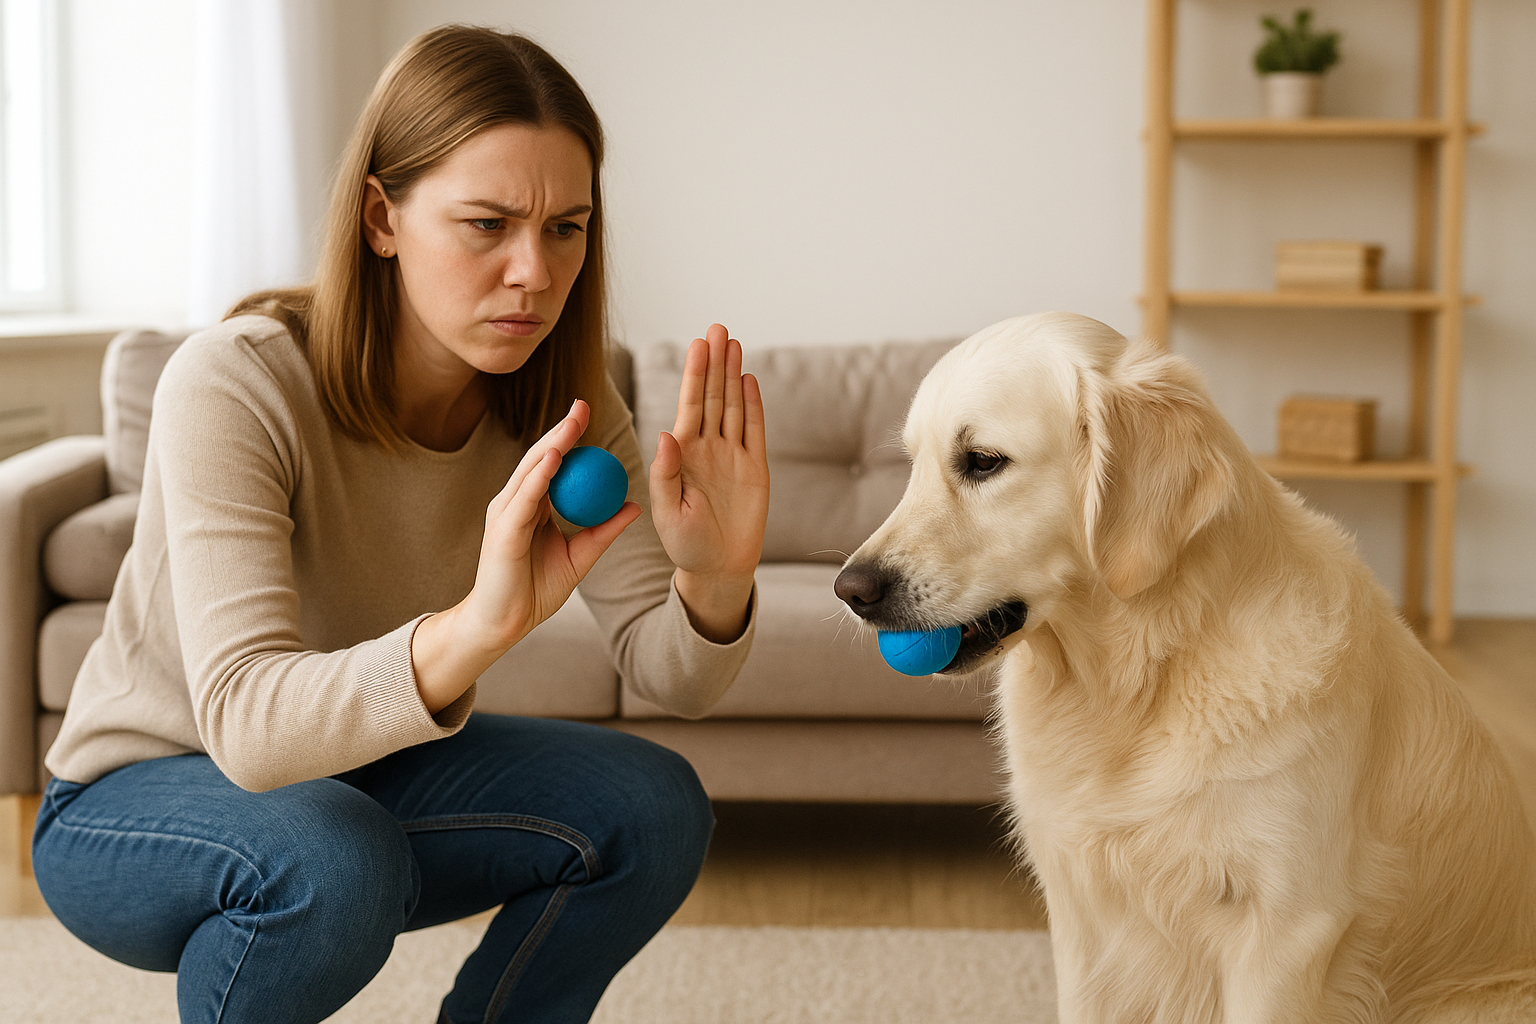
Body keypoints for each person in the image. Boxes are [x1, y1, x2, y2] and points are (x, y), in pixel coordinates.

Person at [31, 25, 769, 1024]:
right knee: (335, 858)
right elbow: (247, 729)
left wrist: (716, 580)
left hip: (353, 777)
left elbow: (671, 674)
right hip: (134, 797)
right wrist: (477, 628)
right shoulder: (236, 379)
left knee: (653, 808)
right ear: (383, 217)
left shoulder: (567, 399)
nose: (534, 271)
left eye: (566, 228)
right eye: (487, 224)